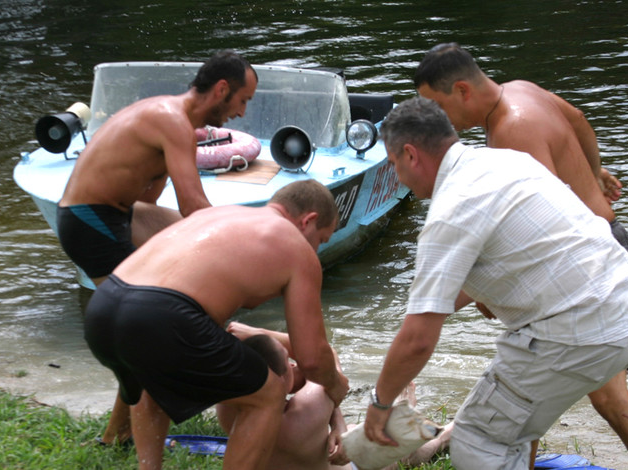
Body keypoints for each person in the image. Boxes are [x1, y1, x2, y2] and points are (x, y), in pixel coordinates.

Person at [413, 43, 628, 469]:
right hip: (603, 245)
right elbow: (578, 120)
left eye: (438, 106)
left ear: (462, 89)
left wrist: (485, 295)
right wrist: (594, 171)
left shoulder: (509, 136)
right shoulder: (522, 90)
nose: (439, 121)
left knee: (611, 401)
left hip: (588, 267)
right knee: (529, 388)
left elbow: (532, 233)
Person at [362, 97, 628, 470]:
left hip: (580, 333)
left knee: (477, 439)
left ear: (410, 154)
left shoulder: (450, 211)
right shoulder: (507, 160)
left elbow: (418, 339)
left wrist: (379, 404)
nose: (397, 177)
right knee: (513, 422)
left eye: (393, 165)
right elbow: (528, 254)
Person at [59, 49, 258, 446]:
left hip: (119, 213)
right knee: (139, 328)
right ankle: (120, 433)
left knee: (160, 298)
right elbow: (194, 207)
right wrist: (243, 247)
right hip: (88, 220)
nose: (241, 113)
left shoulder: (177, 122)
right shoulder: (174, 122)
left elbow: (152, 196)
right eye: (243, 100)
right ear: (222, 89)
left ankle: (122, 430)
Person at [83, 179, 350, 470]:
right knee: (268, 394)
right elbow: (311, 358)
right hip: (160, 313)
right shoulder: (296, 246)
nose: (318, 250)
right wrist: (337, 386)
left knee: (155, 381)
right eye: (321, 240)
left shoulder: (218, 216)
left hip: (104, 306)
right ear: (308, 221)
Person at [221, 322, 452, 470]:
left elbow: (324, 386)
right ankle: (444, 431)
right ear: (280, 381)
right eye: (288, 363)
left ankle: (395, 415)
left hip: (324, 444)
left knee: (353, 431)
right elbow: (324, 358)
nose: (294, 365)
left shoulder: (228, 408)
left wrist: (338, 425)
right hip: (349, 466)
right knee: (410, 447)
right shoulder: (304, 414)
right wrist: (259, 331)